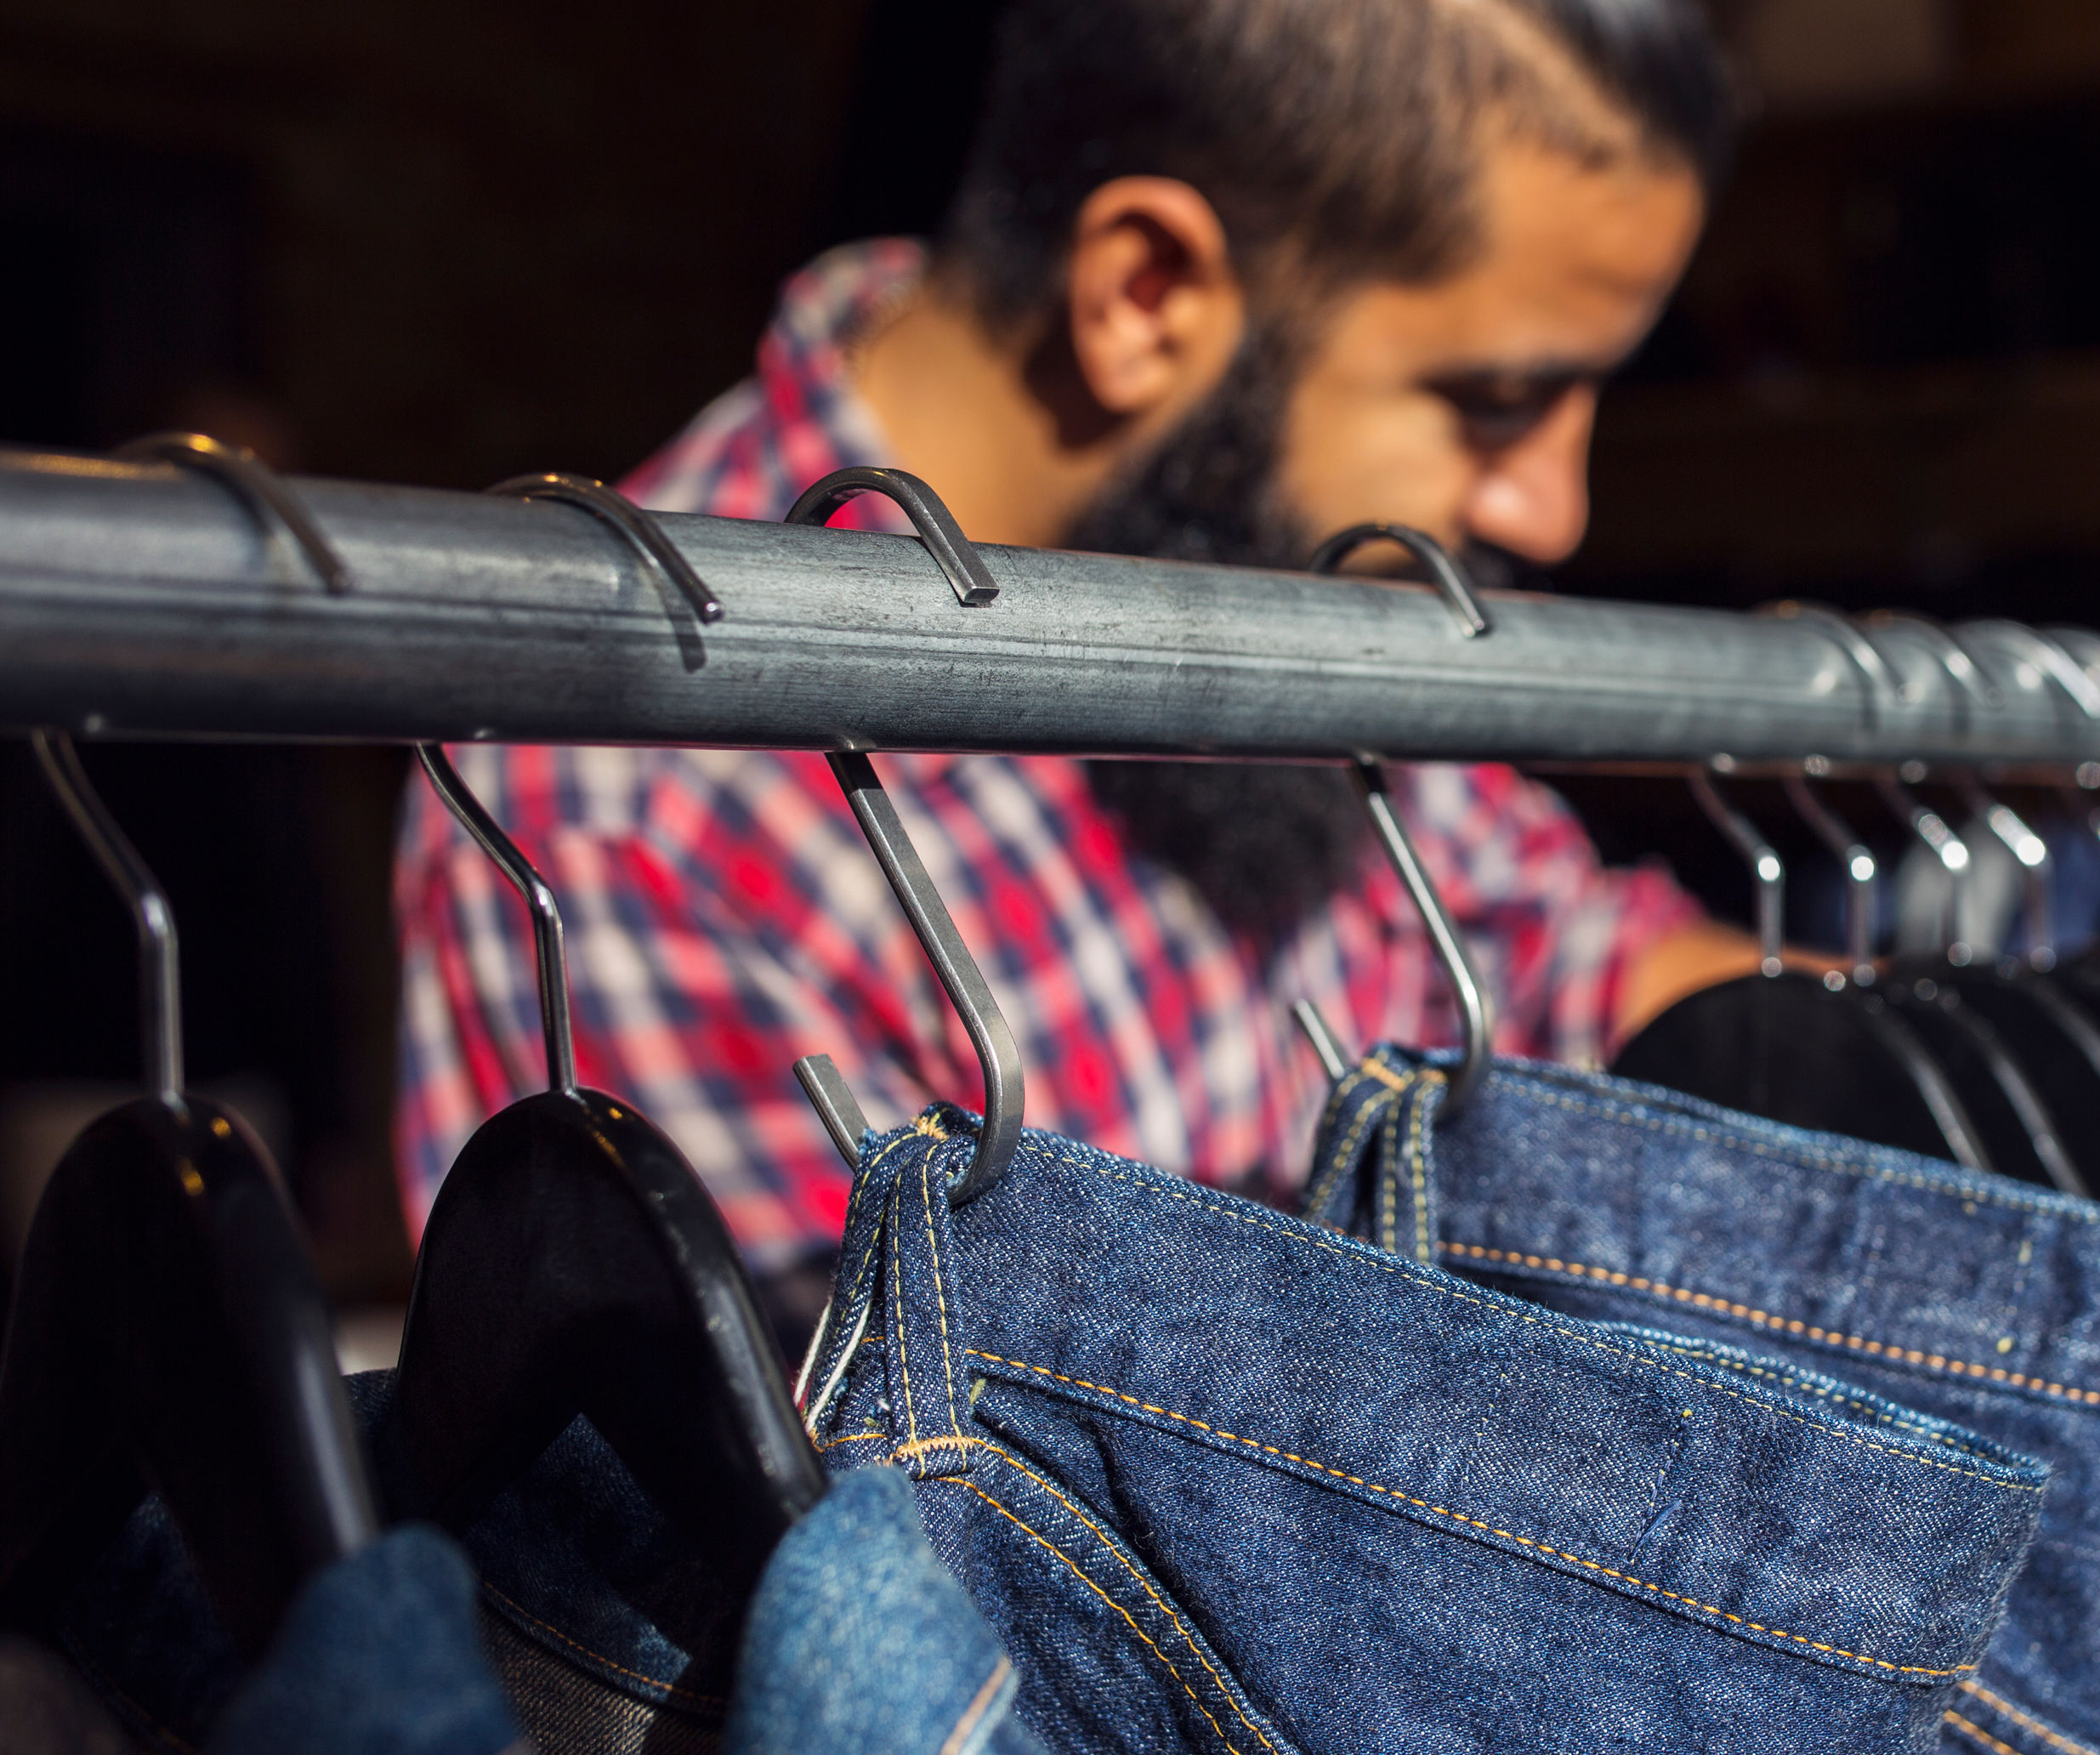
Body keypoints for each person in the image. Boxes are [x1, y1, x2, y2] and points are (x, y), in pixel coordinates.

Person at [393, 0, 1761, 1321]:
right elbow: (886, 1508)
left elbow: (1547, 943)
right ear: (1145, 295)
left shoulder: (1254, 549)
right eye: (1499, 402)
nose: (1554, 509)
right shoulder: (641, 801)